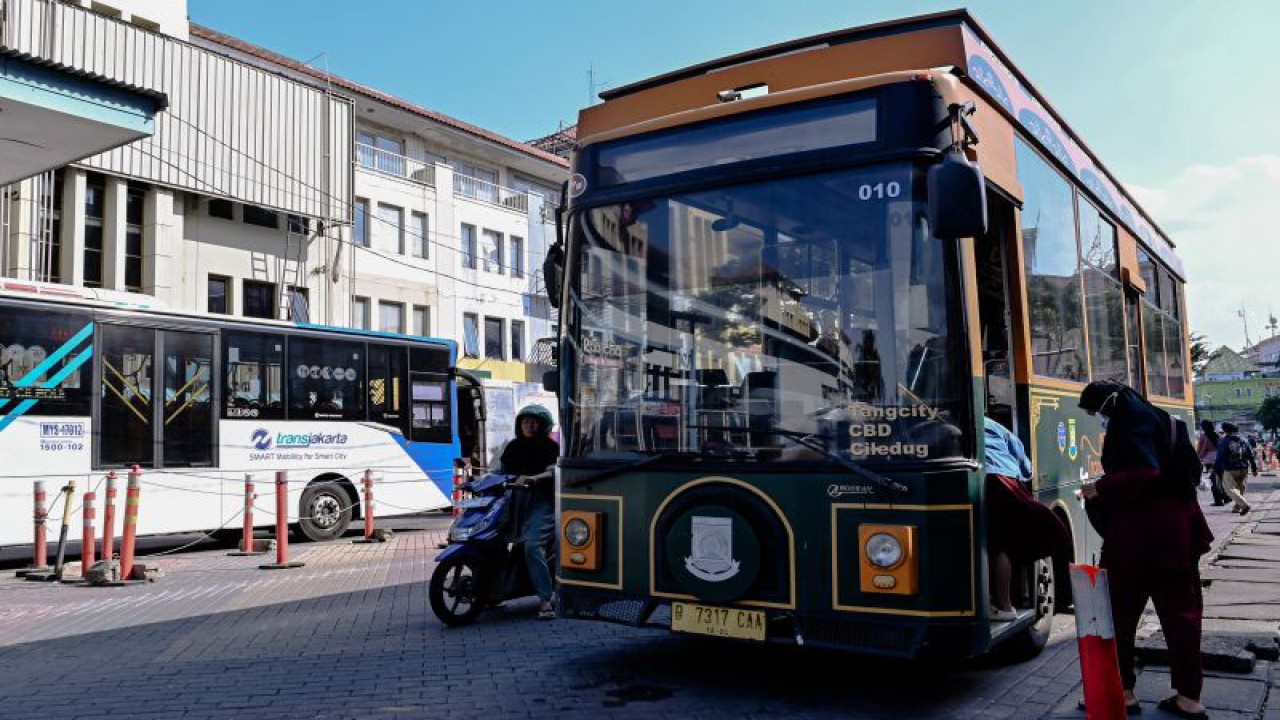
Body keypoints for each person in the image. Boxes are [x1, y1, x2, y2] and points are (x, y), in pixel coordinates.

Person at [1079, 380, 1213, 719]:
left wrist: (1099, 487)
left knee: (1120, 614)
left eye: (1099, 410)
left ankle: (1123, 692)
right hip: (1179, 528)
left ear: (1112, 402)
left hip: (1137, 532)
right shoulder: (1166, 421)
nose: (1101, 417)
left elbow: (1145, 472)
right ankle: (1189, 697)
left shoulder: (1130, 423)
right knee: (1183, 615)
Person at [982, 416, 1070, 622]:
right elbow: (1022, 459)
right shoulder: (991, 424)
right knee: (1000, 545)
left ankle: (1003, 606)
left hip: (989, 481)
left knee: (996, 545)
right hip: (1005, 481)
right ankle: (1003, 604)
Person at [496, 405, 560, 620]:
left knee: (532, 545)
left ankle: (544, 599)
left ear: (543, 426)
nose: (529, 426)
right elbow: (500, 472)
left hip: (542, 502)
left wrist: (536, 478)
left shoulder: (552, 447)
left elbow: (555, 470)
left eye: (534, 422)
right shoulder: (513, 447)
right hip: (514, 503)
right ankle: (491, 592)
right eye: (525, 422)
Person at [1213, 422, 1257, 516]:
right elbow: (1251, 455)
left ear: (1225, 430)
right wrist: (1254, 468)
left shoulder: (1224, 442)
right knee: (1240, 488)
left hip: (1230, 469)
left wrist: (1216, 469)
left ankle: (1244, 505)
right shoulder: (1244, 440)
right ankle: (1237, 507)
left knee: (1230, 489)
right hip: (1244, 468)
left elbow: (1220, 457)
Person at [1196, 420, 1228, 506]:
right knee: (1221, 479)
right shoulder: (1218, 435)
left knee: (1213, 481)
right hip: (1220, 460)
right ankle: (1225, 497)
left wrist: (1198, 458)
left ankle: (1218, 501)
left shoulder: (1204, 436)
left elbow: (1201, 449)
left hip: (1210, 461)